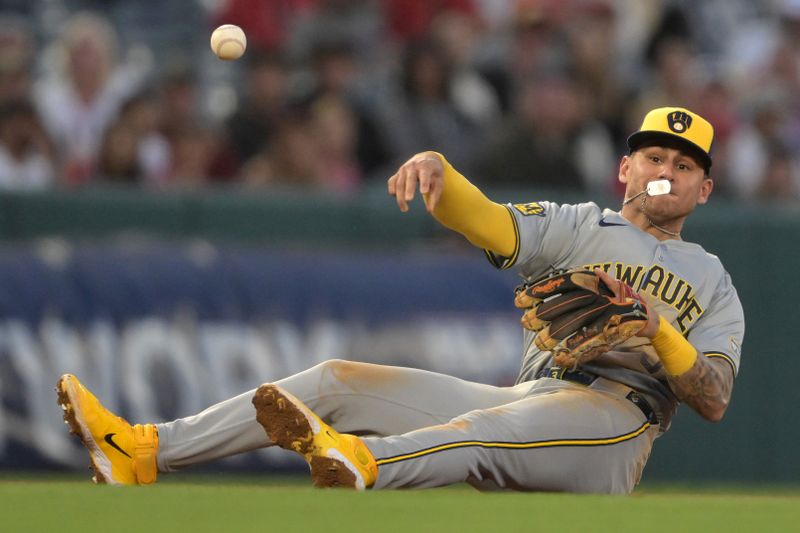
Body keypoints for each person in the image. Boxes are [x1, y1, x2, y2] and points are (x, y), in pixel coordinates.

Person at [56, 106, 743, 494]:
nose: (666, 172)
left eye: (684, 166)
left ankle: (362, 462)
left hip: (614, 425)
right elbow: (493, 224)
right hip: (533, 396)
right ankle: (141, 449)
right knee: (336, 378)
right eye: (655, 157)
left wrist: (661, 331)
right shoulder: (580, 225)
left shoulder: (713, 281)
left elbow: (712, 397)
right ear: (627, 168)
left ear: (704, 190)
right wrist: (443, 174)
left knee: (477, 436)